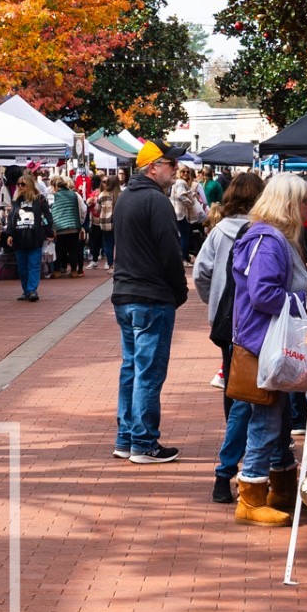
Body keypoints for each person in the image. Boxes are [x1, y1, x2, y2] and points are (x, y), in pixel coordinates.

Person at [229, 175, 307, 525]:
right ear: (289, 204)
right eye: (304, 201)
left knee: (276, 417)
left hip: (266, 340)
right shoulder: (269, 240)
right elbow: (263, 294)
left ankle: (280, 487)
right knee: (266, 418)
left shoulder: (272, 237)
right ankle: (250, 497)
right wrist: (306, 299)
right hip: (263, 341)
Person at [109, 143, 187, 464]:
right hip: (151, 295)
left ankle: (127, 438)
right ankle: (142, 442)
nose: (175, 169)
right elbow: (170, 252)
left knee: (132, 368)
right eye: (171, 164)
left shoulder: (126, 197)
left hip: (126, 293)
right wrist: (179, 290)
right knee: (148, 371)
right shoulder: (156, 200)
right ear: (153, 167)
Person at [193, 172, 265, 504]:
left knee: (232, 382)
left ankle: (233, 436)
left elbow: (201, 272)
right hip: (253, 321)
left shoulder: (219, 230)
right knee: (250, 388)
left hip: (226, 320)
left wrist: (214, 300)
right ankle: (245, 450)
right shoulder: (265, 230)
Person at [3, 174, 49, 302]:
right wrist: (9, 234)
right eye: (18, 184)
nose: (20, 187)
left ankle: (32, 290)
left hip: (35, 237)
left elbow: (47, 216)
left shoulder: (39, 199)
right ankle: (26, 291)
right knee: (22, 268)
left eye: (23, 184)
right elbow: (12, 218)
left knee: (34, 265)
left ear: (29, 185)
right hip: (19, 238)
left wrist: (48, 232)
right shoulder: (17, 201)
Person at [49, 174, 86, 276]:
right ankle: (74, 271)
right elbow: (82, 210)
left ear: (56, 187)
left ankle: (57, 271)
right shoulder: (74, 195)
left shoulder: (54, 196)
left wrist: (52, 227)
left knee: (58, 250)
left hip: (59, 228)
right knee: (73, 249)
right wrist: (80, 222)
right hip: (74, 226)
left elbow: (51, 211)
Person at [88, 176, 119, 271]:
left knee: (108, 244)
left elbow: (97, 209)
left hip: (105, 223)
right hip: (118, 222)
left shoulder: (102, 195)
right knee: (119, 244)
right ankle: (120, 265)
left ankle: (110, 265)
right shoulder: (120, 195)